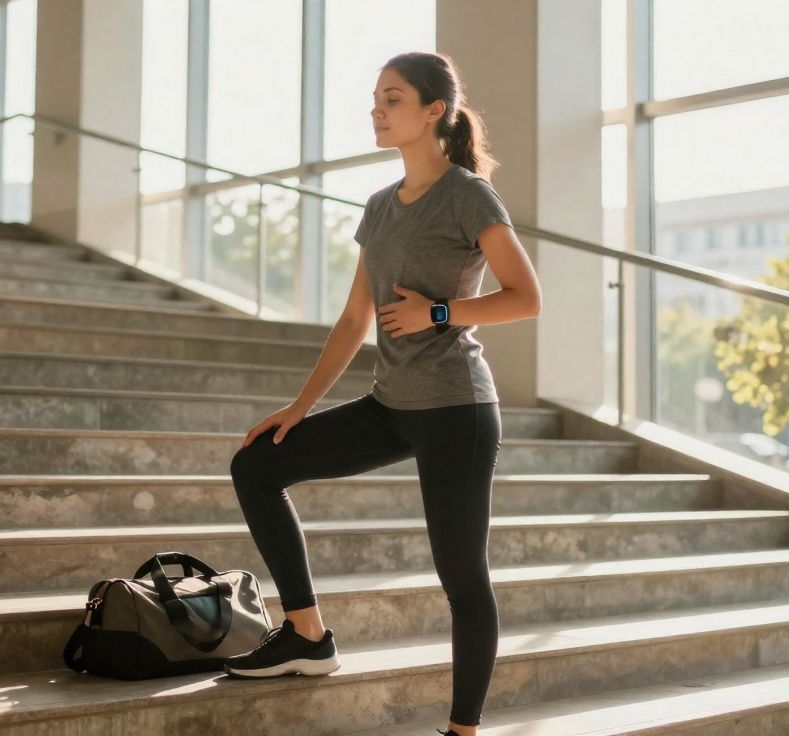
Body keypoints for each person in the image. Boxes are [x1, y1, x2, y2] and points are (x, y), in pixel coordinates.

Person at [225, 52, 543, 736]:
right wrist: (299, 409)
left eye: (392, 99)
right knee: (257, 464)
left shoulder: (467, 195)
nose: (377, 109)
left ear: (434, 111)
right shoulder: (378, 208)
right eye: (375, 98)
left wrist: (439, 313)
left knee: (462, 577)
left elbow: (525, 297)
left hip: (456, 409)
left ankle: (462, 730)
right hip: (390, 405)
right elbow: (354, 319)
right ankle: (307, 636)